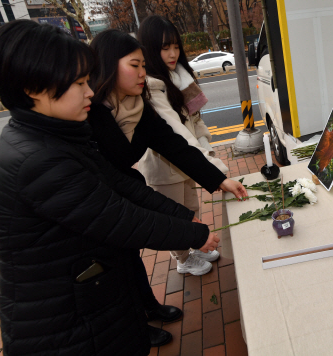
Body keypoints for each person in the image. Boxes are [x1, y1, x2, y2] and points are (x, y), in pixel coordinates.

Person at [0, 20, 219, 355]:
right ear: (34, 88)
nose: (90, 91)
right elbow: (119, 218)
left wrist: (185, 219)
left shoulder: (54, 135)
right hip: (67, 325)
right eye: (78, 82)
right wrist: (193, 234)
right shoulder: (39, 159)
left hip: (89, 302)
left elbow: (120, 184)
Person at [86, 29, 247, 344]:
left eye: (144, 65)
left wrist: (218, 179)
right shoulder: (89, 112)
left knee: (130, 258)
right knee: (116, 268)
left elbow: (174, 145)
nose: (143, 73)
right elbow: (117, 180)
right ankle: (137, 328)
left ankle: (149, 307)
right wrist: (187, 227)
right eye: (135, 65)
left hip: (123, 188)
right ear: (108, 65)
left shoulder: (136, 104)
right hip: (104, 198)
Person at [136, 15, 228, 273]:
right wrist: (212, 167)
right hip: (165, 167)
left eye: (175, 46)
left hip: (189, 160)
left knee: (191, 207)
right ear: (150, 49)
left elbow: (195, 120)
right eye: (165, 47)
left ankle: (195, 246)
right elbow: (176, 133)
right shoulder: (152, 86)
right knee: (175, 217)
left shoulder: (180, 77)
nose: (173, 53)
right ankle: (183, 260)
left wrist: (206, 149)